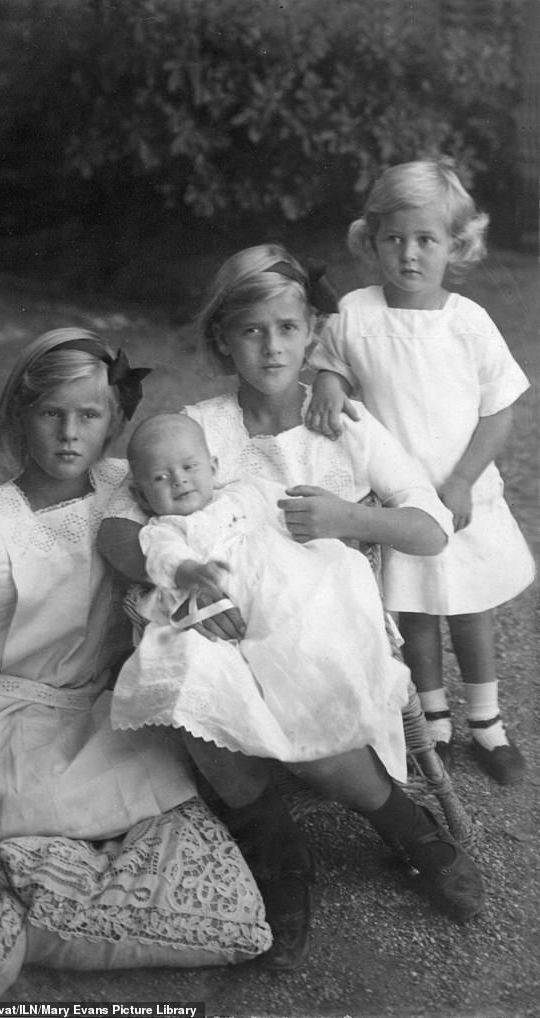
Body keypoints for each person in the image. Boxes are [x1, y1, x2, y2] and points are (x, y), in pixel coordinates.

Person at [98, 244, 486, 968]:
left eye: (285, 327)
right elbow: (121, 528)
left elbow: (430, 528)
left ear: (312, 331)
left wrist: (352, 520)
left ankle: (405, 824)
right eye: (250, 331)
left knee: (304, 676)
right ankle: (281, 860)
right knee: (185, 673)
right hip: (215, 615)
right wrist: (185, 586)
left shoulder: (340, 420)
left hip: (318, 612)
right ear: (223, 340)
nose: (271, 346)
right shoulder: (202, 426)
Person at [0, 329, 272, 1001]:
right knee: (25, 797)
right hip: (4, 716)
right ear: (21, 417)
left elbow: (180, 537)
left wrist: (201, 595)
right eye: (51, 414)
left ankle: (66, 881)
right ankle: (13, 882)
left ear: (116, 420)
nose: (70, 434)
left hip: (95, 708)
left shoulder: (123, 488)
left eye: (90, 415)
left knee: (168, 775)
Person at [306, 159, 535, 785]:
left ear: (456, 246)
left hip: (457, 494)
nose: (408, 255)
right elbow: (335, 362)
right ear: (372, 240)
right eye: (394, 239)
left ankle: (486, 721)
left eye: (426, 240)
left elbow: (499, 413)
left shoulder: (467, 323)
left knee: (468, 605)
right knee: (414, 610)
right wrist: (328, 383)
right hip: (400, 499)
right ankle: (432, 715)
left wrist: (461, 479)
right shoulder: (355, 312)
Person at [112, 412, 410, 772]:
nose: (179, 481)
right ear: (141, 495)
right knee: (281, 657)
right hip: (250, 615)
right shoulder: (166, 528)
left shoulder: (248, 491)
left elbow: (294, 509)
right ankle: (308, 731)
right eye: (160, 478)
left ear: (214, 466)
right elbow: (164, 557)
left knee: (322, 623)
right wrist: (190, 570)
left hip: (294, 585)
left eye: (190, 466)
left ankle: (352, 715)